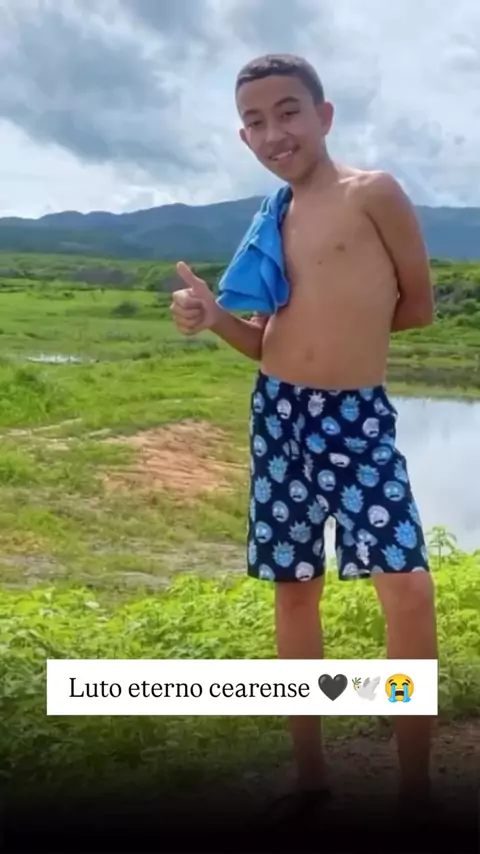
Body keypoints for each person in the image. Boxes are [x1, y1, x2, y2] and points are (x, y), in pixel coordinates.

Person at [170, 54, 437, 821]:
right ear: (243, 137)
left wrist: (344, 341)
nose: (273, 132)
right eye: (254, 121)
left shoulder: (374, 193)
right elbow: (264, 340)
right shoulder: (274, 216)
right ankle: (311, 772)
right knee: (295, 588)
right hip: (278, 415)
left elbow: (417, 306)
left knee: (408, 588)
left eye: (288, 112)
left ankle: (415, 788)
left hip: (355, 419)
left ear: (323, 116)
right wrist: (214, 317)